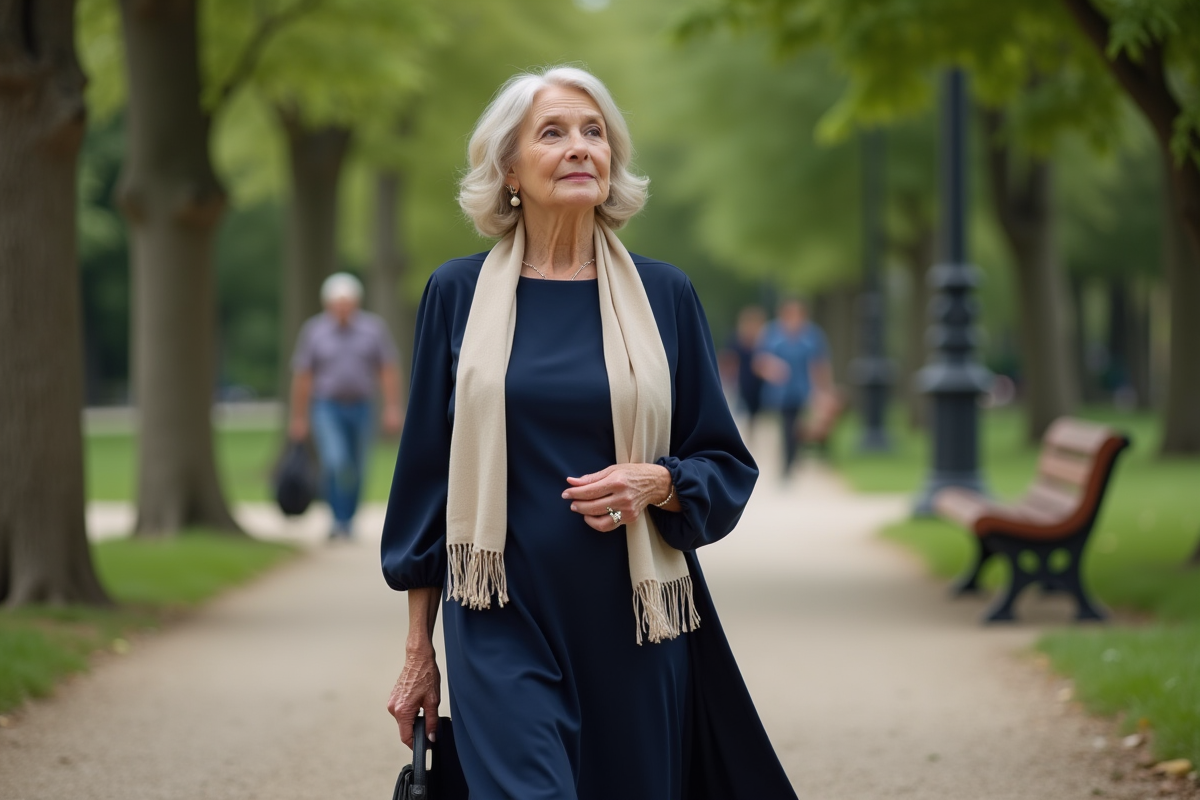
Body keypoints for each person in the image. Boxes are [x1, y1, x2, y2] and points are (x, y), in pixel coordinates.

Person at [381, 66, 798, 800]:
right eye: (553, 133)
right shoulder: (456, 295)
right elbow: (426, 480)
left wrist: (660, 480)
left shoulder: (666, 295)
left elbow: (723, 461)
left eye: (594, 132)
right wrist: (419, 650)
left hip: (635, 622)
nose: (580, 147)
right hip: (497, 614)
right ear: (508, 168)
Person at [288, 273, 402, 539]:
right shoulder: (314, 331)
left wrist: (392, 407)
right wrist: (299, 418)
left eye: (347, 302)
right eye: (337, 303)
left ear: (356, 303)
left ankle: (349, 520)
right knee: (336, 462)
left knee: (359, 466)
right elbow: (303, 377)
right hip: (327, 407)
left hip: (362, 407)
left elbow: (387, 370)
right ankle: (337, 519)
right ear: (327, 304)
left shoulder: (373, 329)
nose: (342, 308)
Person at [756, 297, 832, 476]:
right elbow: (760, 362)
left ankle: (795, 458)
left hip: (804, 389)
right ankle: (788, 463)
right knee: (787, 426)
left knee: (801, 426)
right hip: (780, 391)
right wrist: (773, 369)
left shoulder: (812, 335)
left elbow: (819, 364)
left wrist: (823, 390)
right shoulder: (771, 333)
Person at [721, 304, 768, 429]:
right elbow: (729, 359)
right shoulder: (736, 339)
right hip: (741, 380)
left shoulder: (763, 341)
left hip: (758, 382)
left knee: (755, 414)